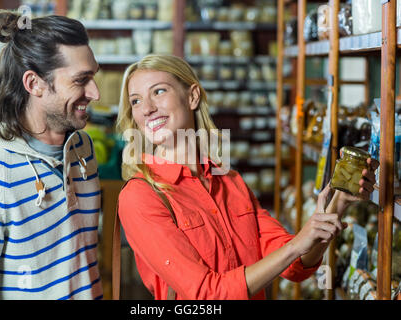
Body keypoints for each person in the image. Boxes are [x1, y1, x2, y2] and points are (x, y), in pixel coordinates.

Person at [116, 54, 379, 300]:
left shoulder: (230, 182)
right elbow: (207, 294)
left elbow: (296, 267)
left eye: (159, 91)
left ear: (192, 96)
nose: (147, 108)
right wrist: (296, 246)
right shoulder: (141, 197)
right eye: (136, 101)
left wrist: (338, 204)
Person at [0, 11, 103, 299]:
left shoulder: (82, 149)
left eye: (93, 76)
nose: (95, 93)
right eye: (81, 80)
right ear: (34, 84)